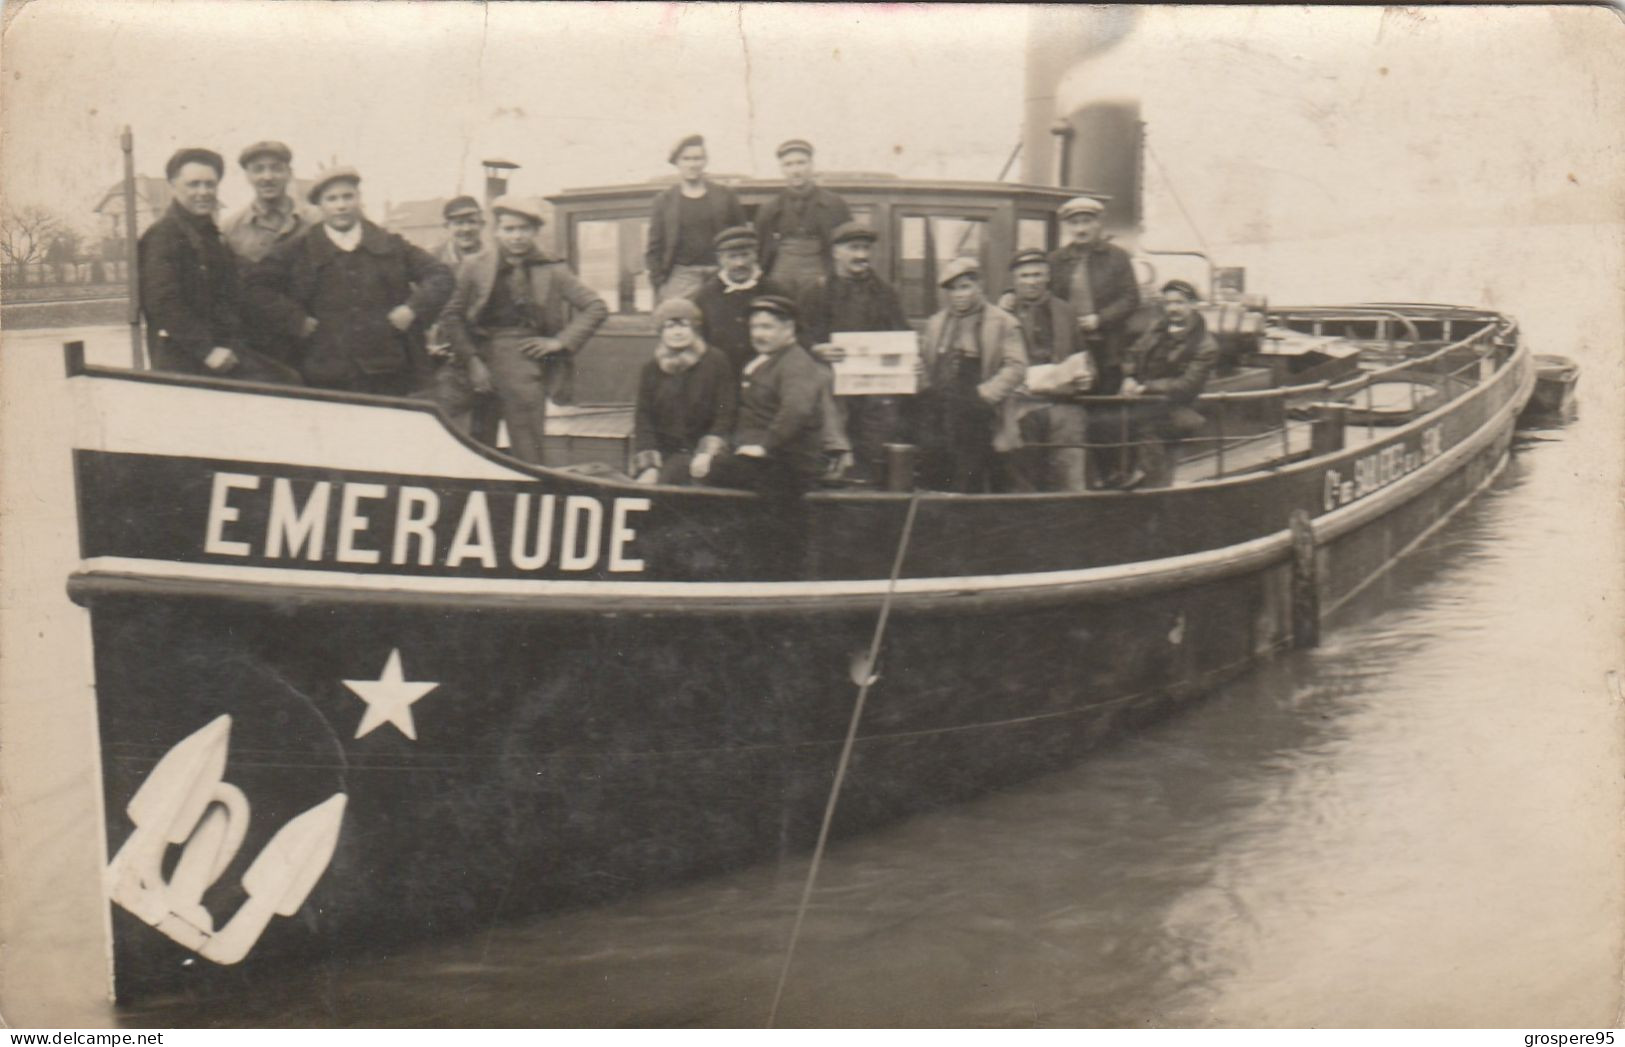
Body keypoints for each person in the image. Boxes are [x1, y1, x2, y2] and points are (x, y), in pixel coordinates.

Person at [244, 166, 452, 396]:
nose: (341, 205)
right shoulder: (298, 250)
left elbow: (440, 275)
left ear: (359, 199)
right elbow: (256, 287)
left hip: (387, 371)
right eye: (331, 199)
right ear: (320, 206)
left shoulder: (390, 244)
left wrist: (412, 308)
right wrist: (294, 318)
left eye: (347, 196)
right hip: (322, 372)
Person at [439, 195, 609, 465]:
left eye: (524, 229)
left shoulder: (552, 269)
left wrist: (560, 342)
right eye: (509, 229)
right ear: (496, 231)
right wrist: (472, 362)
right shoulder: (475, 265)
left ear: (535, 232)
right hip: (477, 361)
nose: (516, 236)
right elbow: (451, 315)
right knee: (475, 446)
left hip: (523, 364)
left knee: (528, 450)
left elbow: (596, 307)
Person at [138, 147, 301, 383]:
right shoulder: (163, 235)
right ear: (173, 186)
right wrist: (206, 350)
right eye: (193, 185)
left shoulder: (209, 233)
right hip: (188, 360)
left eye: (210, 184)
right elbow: (163, 302)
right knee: (286, 382)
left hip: (221, 352)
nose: (203, 192)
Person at [800, 221, 912, 484]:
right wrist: (817, 349)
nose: (862, 256)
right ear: (836, 252)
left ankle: (870, 480)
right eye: (854, 248)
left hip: (874, 382)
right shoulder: (817, 291)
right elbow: (798, 333)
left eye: (866, 248)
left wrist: (909, 360)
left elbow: (902, 334)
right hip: (832, 379)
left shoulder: (885, 293)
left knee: (881, 419)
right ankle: (832, 473)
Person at [1048, 196, 1140, 485]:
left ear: (1098, 224)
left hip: (1107, 348)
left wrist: (1100, 318)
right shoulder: (1056, 261)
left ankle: (1114, 473)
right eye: (1074, 223)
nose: (1081, 228)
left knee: (1105, 413)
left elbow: (1130, 298)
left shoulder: (1117, 257)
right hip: (1070, 349)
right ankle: (1081, 478)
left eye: (1086, 221)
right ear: (1067, 227)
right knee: (1072, 411)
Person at [916, 257, 1027, 493]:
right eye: (953, 289)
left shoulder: (1003, 322)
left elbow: (1016, 367)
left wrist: (984, 395)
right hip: (939, 408)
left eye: (965, 286)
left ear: (980, 286)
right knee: (932, 467)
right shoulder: (936, 323)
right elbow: (924, 362)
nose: (958, 295)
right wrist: (922, 380)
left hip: (979, 410)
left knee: (968, 474)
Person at [706, 295, 832, 498]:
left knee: (711, 473)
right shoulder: (765, 360)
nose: (758, 334)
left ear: (789, 329)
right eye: (754, 327)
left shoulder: (796, 363)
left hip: (785, 463)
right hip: (758, 457)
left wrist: (764, 446)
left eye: (767, 327)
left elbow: (796, 411)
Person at [997, 247, 1094, 491]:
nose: (1032, 282)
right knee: (1022, 477)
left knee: (1068, 475)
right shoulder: (1000, 315)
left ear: (1048, 276)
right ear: (1014, 280)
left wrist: (1088, 376)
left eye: (1037, 275)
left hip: (1062, 405)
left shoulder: (1066, 311)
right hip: (1020, 406)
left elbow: (1082, 355)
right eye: (1025, 276)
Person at [1120, 279, 1220, 488]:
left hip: (1177, 408)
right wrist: (1129, 376)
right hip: (1143, 402)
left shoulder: (1205, 345)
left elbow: (1187, 385)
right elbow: (1133, 353)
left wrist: (1146, 388)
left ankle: (1147, 479)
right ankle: (1132, 476)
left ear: (1193, 305)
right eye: (1168, 303)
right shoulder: (1157, 328)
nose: (1172, 308)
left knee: (1151, 429)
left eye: (1179, 303)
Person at [631, 298, 738, 486]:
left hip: (706, 454)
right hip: (667, 454)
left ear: (695, 329)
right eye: (670, 327)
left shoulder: (716, 362)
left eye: (684, 326)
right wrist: (649, 466)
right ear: (661, 331)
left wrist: (707, 452)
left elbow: (726, 413)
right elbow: (644, 418)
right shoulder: (651, 369)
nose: (677, 332)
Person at [424, 195, 500, 444]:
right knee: (450, 427)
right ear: (446, 227)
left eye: (471, 222)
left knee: (486, 428)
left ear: (482, 224)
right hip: (447, 355)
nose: (465, 229)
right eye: (458, 223)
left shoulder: (496, 259)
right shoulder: (431, 260)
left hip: (488, 351)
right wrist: (429, 344)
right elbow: (421, 306)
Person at [645, 134, 745, 303]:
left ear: (705, 161)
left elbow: (741, 236)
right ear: (677, 162)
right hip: (682, 275)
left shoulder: (725, 195)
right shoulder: (664, 200)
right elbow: (654, 247)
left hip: (720, 272)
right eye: (686, 159)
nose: (692, 164)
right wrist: (660, 284)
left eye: (697, 158)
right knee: (677, 320)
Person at [753, 139, 852, 300]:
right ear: (782, 169)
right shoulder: (769, 209)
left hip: (821, 280)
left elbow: (847, 248)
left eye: (801, 163)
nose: (796, 170)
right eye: (789, 164)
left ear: (812, 165)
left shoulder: (835, 205)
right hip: (781, 281)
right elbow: (759, 253)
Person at [688, 225, 792, 374]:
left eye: (745, 255)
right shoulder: (705, 296)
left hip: (768, 377)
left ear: (756, 255)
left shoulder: (776, 292)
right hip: (721, 378)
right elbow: (697, 341)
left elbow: (793, 337)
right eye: (732, 257)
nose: (740, 263)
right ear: (720, 259)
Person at [220, 141, 321, 265]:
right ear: (248, 176)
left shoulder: (317, 220)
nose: (268, 177)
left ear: (289, 173)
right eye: (258, 169)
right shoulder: (230, 229)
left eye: (276, 168)